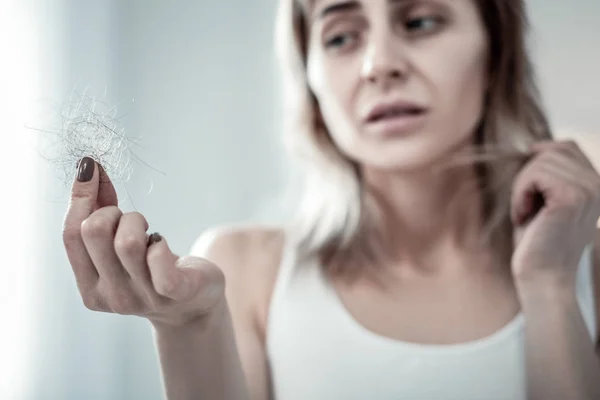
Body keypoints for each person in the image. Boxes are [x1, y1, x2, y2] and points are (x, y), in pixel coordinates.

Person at [62, 0, 600, 399]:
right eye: (342, 37)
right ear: (312, 83)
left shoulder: (584, 269)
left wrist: (551, 286)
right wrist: (188, 327)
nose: (378, 65)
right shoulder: (246, 269)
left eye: (420, 22)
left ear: (496, 53)